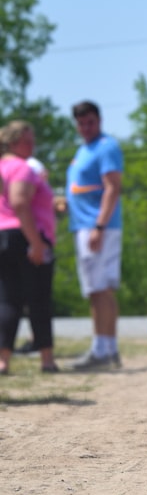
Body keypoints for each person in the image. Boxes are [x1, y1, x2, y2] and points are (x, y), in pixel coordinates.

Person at [66, 100, 125, 370]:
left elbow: (112, 188)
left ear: (99, 120)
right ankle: (108, 349)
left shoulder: (106, 147)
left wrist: (99, 227)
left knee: (98, 290)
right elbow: (84, 188)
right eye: (80, 123)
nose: (85, 127)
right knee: (100, 290)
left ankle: (101, 350)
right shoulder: (83, 149)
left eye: (90, 122)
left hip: (97, 227)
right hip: (87, 225)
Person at [0, 121, 58, 374]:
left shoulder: (3, 166)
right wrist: (35, 243)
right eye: (28, 140)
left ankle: (3, 360)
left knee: (8, 300)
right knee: (39, 299)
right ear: (13, 143)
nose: (33, 144)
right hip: (22, 236)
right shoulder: (20, 167)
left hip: (3, 235)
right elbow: (20, 203)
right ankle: (46, 359)